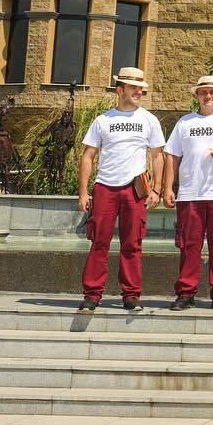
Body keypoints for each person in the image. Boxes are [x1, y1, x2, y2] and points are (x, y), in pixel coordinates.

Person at [76, 66, 165, 313]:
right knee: (99, 242)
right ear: (120, 90)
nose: (138, 92)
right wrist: (83, 192)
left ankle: (131, 295)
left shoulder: (149, 120)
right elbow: (88, 156)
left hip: (135, 189)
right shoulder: (103, 120)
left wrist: (157, 189)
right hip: (105, 187)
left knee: (132, 243)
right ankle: (92, 295)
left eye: (140, 88)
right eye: (133, 87)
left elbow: (158, 156)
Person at [162, 75, 213, 311]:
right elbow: (172, 156)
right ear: (196, 96)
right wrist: (168, 188)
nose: (208, 96)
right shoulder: (185, 122)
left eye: (212, 92)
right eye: (203, 92)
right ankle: (186, 293)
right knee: (189, 246)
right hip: (190, 193)